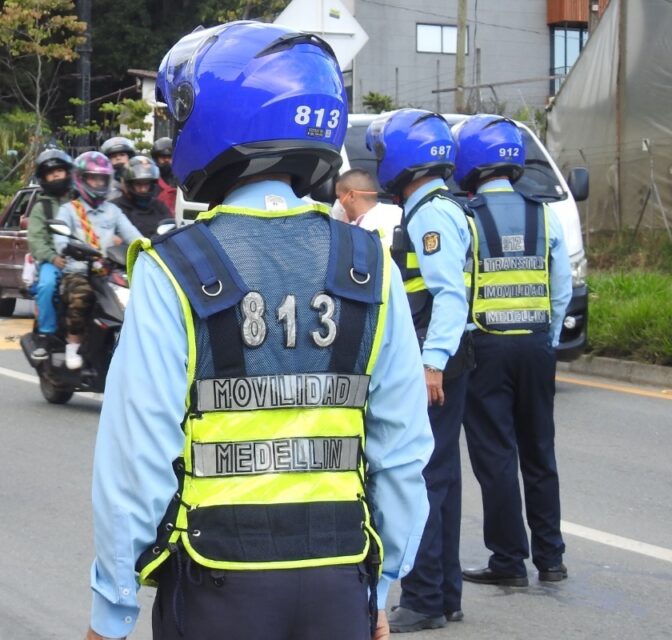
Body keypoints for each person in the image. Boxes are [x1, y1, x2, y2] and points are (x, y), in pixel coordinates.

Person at [86, 22, 432, 640]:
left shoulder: (177, 267)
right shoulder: (368, 263)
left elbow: (135, 459)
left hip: (218, 585)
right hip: (340, 581)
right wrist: (381, 589)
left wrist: (112, 610)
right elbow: (402, 451)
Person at [452, 115, 572, 590]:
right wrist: (549, 339)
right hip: (538, 345)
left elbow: (457, 290)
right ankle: (552, 558)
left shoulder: (466, 217)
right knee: (540, 452)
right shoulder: (546, 214)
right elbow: (559, 288)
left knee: (496, 455)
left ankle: (508, 560)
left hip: (487, 348)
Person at [368, 108, 474, 633]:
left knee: (422, 477)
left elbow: (449, 296)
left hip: (435, 363)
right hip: (447, 360)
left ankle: (425, 598)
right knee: (443, 479)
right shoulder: (439, 207)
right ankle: (444, 594)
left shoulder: (430, 214)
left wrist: (432, 364)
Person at [53, 151, 141, 370]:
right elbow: (60, 240)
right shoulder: (70, 210)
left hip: (107, 272)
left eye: (102, 179)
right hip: (78, 272)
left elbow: (134, 236)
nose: (98, 183)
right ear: (81, 179)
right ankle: (72, 345)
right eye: (94, 178)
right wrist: (69, 247)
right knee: (82, 297)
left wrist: (150, 247)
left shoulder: (113, 211)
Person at [27, 148, 77, 361]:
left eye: (60, 171)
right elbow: (36, 239)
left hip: (83, 259)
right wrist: (52, 257)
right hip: (53, 262)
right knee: (46, 286)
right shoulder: (41, 207)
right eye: (51, 173)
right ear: (44, 178)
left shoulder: (80, 201)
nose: (56, 176)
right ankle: (46, 335)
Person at [110, 155, 173, 237]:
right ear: (129, 184)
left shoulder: (159, 206)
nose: (143, 189)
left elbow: (171, 229)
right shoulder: (115, 208)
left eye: (146, 184)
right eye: (138, 184)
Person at [335, 169, 400, 237]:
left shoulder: (364, 231)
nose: (338, 202)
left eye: (339, 197)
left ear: (351, 196)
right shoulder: (398, 212)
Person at [150, 137, 178, 212]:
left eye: (169, 157)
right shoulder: (150, 180)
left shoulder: (181, 180)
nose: (166, 160)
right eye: (163, 156)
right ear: (156, 158)